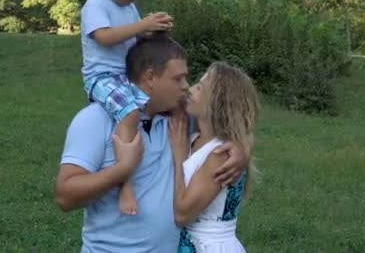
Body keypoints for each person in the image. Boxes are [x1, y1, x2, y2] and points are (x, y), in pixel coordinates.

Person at [55, 35, 248, 253]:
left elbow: (228, 118)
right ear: (150, 77)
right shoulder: (96, 120)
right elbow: (65, 196)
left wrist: (239, 149)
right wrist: (122, 170)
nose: (186, 86)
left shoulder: (182, 118)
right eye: (178, 79)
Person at [80, 0, 174, 215]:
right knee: (130, 114)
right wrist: (141, 25)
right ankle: (125, 181)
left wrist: (152, 28)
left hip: (125, 77)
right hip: (102, 77)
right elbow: (105, 37)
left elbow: (132, 36)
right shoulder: (96, 5)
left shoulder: (128, 8)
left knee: (161, 108)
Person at [169, 62, 259, 253]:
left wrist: (178, 159)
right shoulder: (195, 136)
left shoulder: (220, 155)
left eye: (200, 88)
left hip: (209, 245)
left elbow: (182, 214)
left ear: (217, 103)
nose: (190, 89)